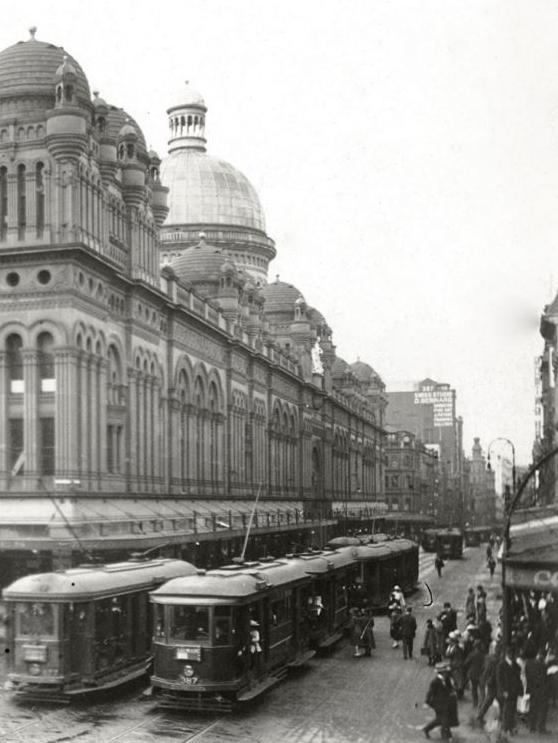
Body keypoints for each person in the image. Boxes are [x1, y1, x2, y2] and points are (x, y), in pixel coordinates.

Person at [423, 662, 457, 740]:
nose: (447, 673)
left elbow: (450, 688)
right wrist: (427, 702)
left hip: (447, 703)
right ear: (441, 672)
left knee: (439, 720)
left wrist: (452, 691)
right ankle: (446, 738)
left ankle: (427, 729)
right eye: (445, 672)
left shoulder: (447, 679)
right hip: (438, 704)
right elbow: (430, 692)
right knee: (445, 720)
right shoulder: (435, 682)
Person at [496, 646, 524, 735]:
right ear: (507, 655)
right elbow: (499, 679)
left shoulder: (516, 666)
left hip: (514, 691)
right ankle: (506, 728)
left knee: (512, 710)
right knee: (506, 710)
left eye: (513, 654)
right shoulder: (501, 665)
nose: (512, 656)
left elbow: (518, 679)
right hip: (506, 691)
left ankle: (510, 727)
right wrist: (503, 690)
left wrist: (520, 690)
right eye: (510, 654)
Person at [525, 650, 550, 733]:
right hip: (542, 690)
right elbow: (544, 677)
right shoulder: (543, 665)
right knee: (543, 709)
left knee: (533, 708)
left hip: (532, 689)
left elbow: (527, 677)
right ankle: (541, 728)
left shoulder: (528, 664)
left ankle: (532, 727)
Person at [477, 644, 500, 726]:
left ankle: (480, 716)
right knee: (491, 700)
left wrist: (484, 679)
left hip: (491, 682)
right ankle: (480, 716)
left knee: (489, 700)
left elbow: (485, 669)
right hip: (495, 683)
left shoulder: (488, 657)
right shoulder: (497, 660)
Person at [464, 639, 485, 707]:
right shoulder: (483, 655)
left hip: (472, 674)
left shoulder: (471, 654)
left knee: (474, 689)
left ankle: (475, 703)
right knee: (482, 689)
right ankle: (482, 703)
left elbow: (466, 663)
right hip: (481, 674)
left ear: (475, 646)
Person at [445, 631, 466, 699]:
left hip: (456, 666)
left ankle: (459, 693)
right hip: (454, 665)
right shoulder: (452, 647)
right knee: (454, 679)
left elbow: (458, 659)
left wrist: (453, 666)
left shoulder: (456, 649)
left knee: (457, 680)